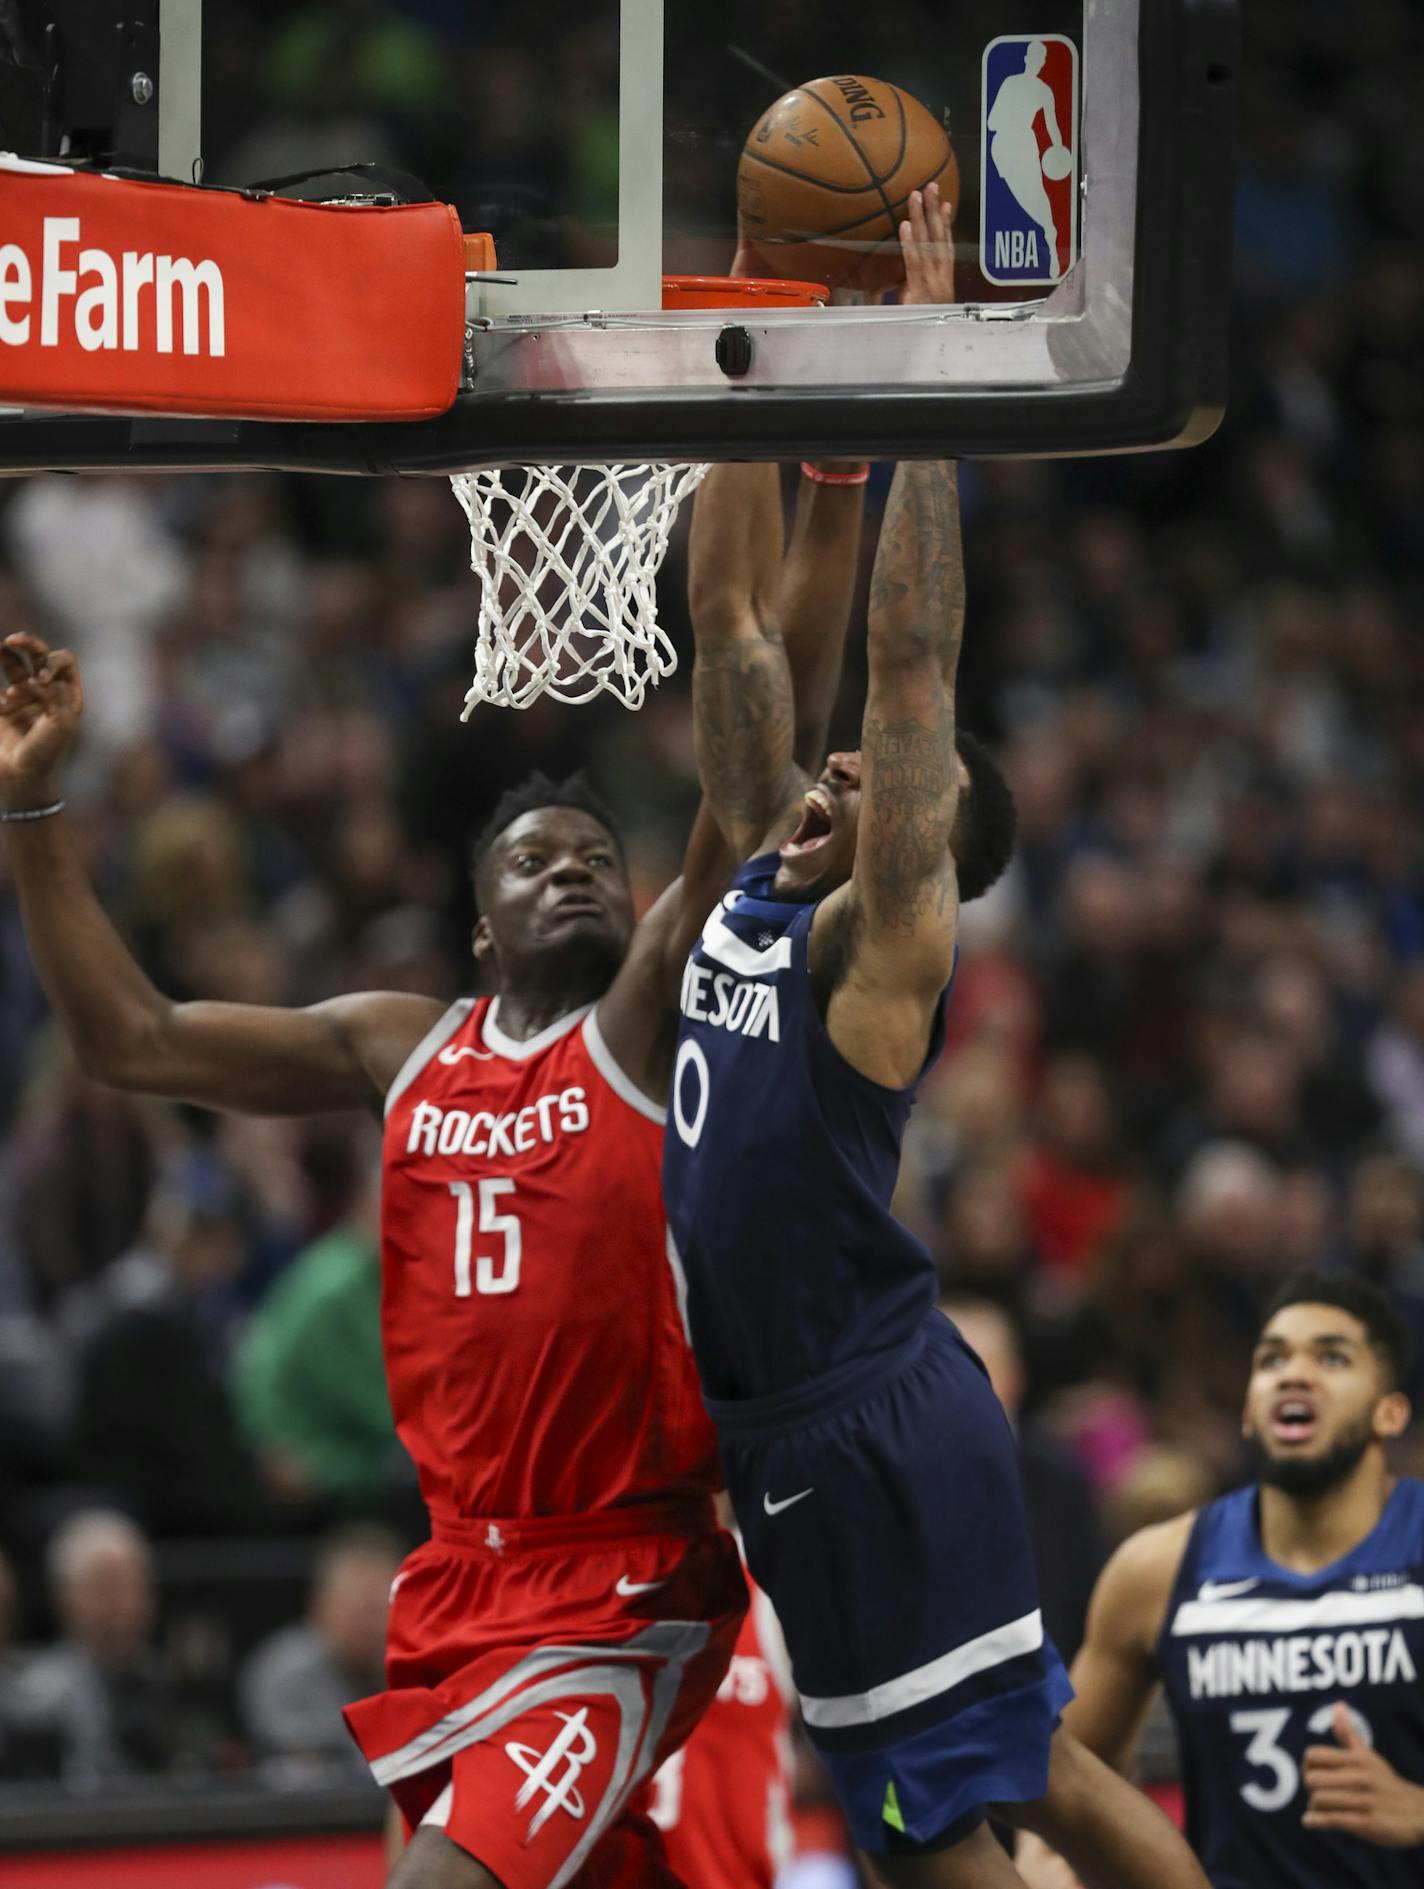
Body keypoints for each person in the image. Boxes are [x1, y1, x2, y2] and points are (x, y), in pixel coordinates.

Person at [0, 444, 865, 1888]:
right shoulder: (397, 1047)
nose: (575, 868)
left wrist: (811, 458)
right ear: (478, 927)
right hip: (458, 1573)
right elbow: (131, 1038)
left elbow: (757, 748)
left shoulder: (648, 1027)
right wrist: (32, 811)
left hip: (621, 1580)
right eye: (535, 859)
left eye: (597, 854)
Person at [662, 180, 1210, 1889]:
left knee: (942, 1820)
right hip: (812, 1424)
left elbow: (907, 668)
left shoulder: (875, 950)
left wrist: (921, 383)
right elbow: (736, 629)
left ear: (925, 852)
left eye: (884, 785)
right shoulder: (760, 872)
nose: (835, 767)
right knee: (997, 1777)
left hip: (860, 1420)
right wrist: (741, 365)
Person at [1017, 1271, 1424, 1889]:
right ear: (1247, 1410)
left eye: (1332, 1357)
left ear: (1390, 1413)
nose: (1294, 1373)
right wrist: (1051, 1874)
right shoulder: (1156, 1569)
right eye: (1271, 1359)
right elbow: (1063, 1780)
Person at [4, 1509, 185, 1784]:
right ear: (63, 1597)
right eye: (106, 1587)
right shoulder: (35, 1702)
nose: (125, 1605)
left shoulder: (172, 1682)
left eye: (136, 1586)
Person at [242, 1524, 405, 1769]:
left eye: (377, 1611)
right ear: (319, 1604)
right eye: (354, 1609)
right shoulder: (285, 1671)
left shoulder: (414, 1666)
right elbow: (295, 1755)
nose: (367, 1626)